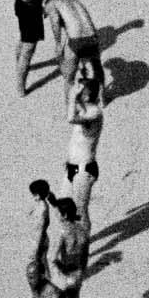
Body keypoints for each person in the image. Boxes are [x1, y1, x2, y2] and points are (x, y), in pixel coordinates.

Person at [45, 193, 94, 298]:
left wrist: (58, 271)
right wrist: (81, 274)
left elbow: (53, 257)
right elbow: (85, 257)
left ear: (64, 215)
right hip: (78, 274)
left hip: (65, 276)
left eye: (59, 213)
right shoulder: (83, 231)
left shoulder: (63, 231)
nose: (57, 215)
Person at [65, 38, 105, 191]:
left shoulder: (95, 113)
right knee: (65, 211)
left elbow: (70, 119)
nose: (76, 92)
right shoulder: (84, 108)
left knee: (80, 213)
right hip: (72, 164)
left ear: (86, 96)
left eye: (79, 90)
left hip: (84, 168)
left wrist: (72, 97)